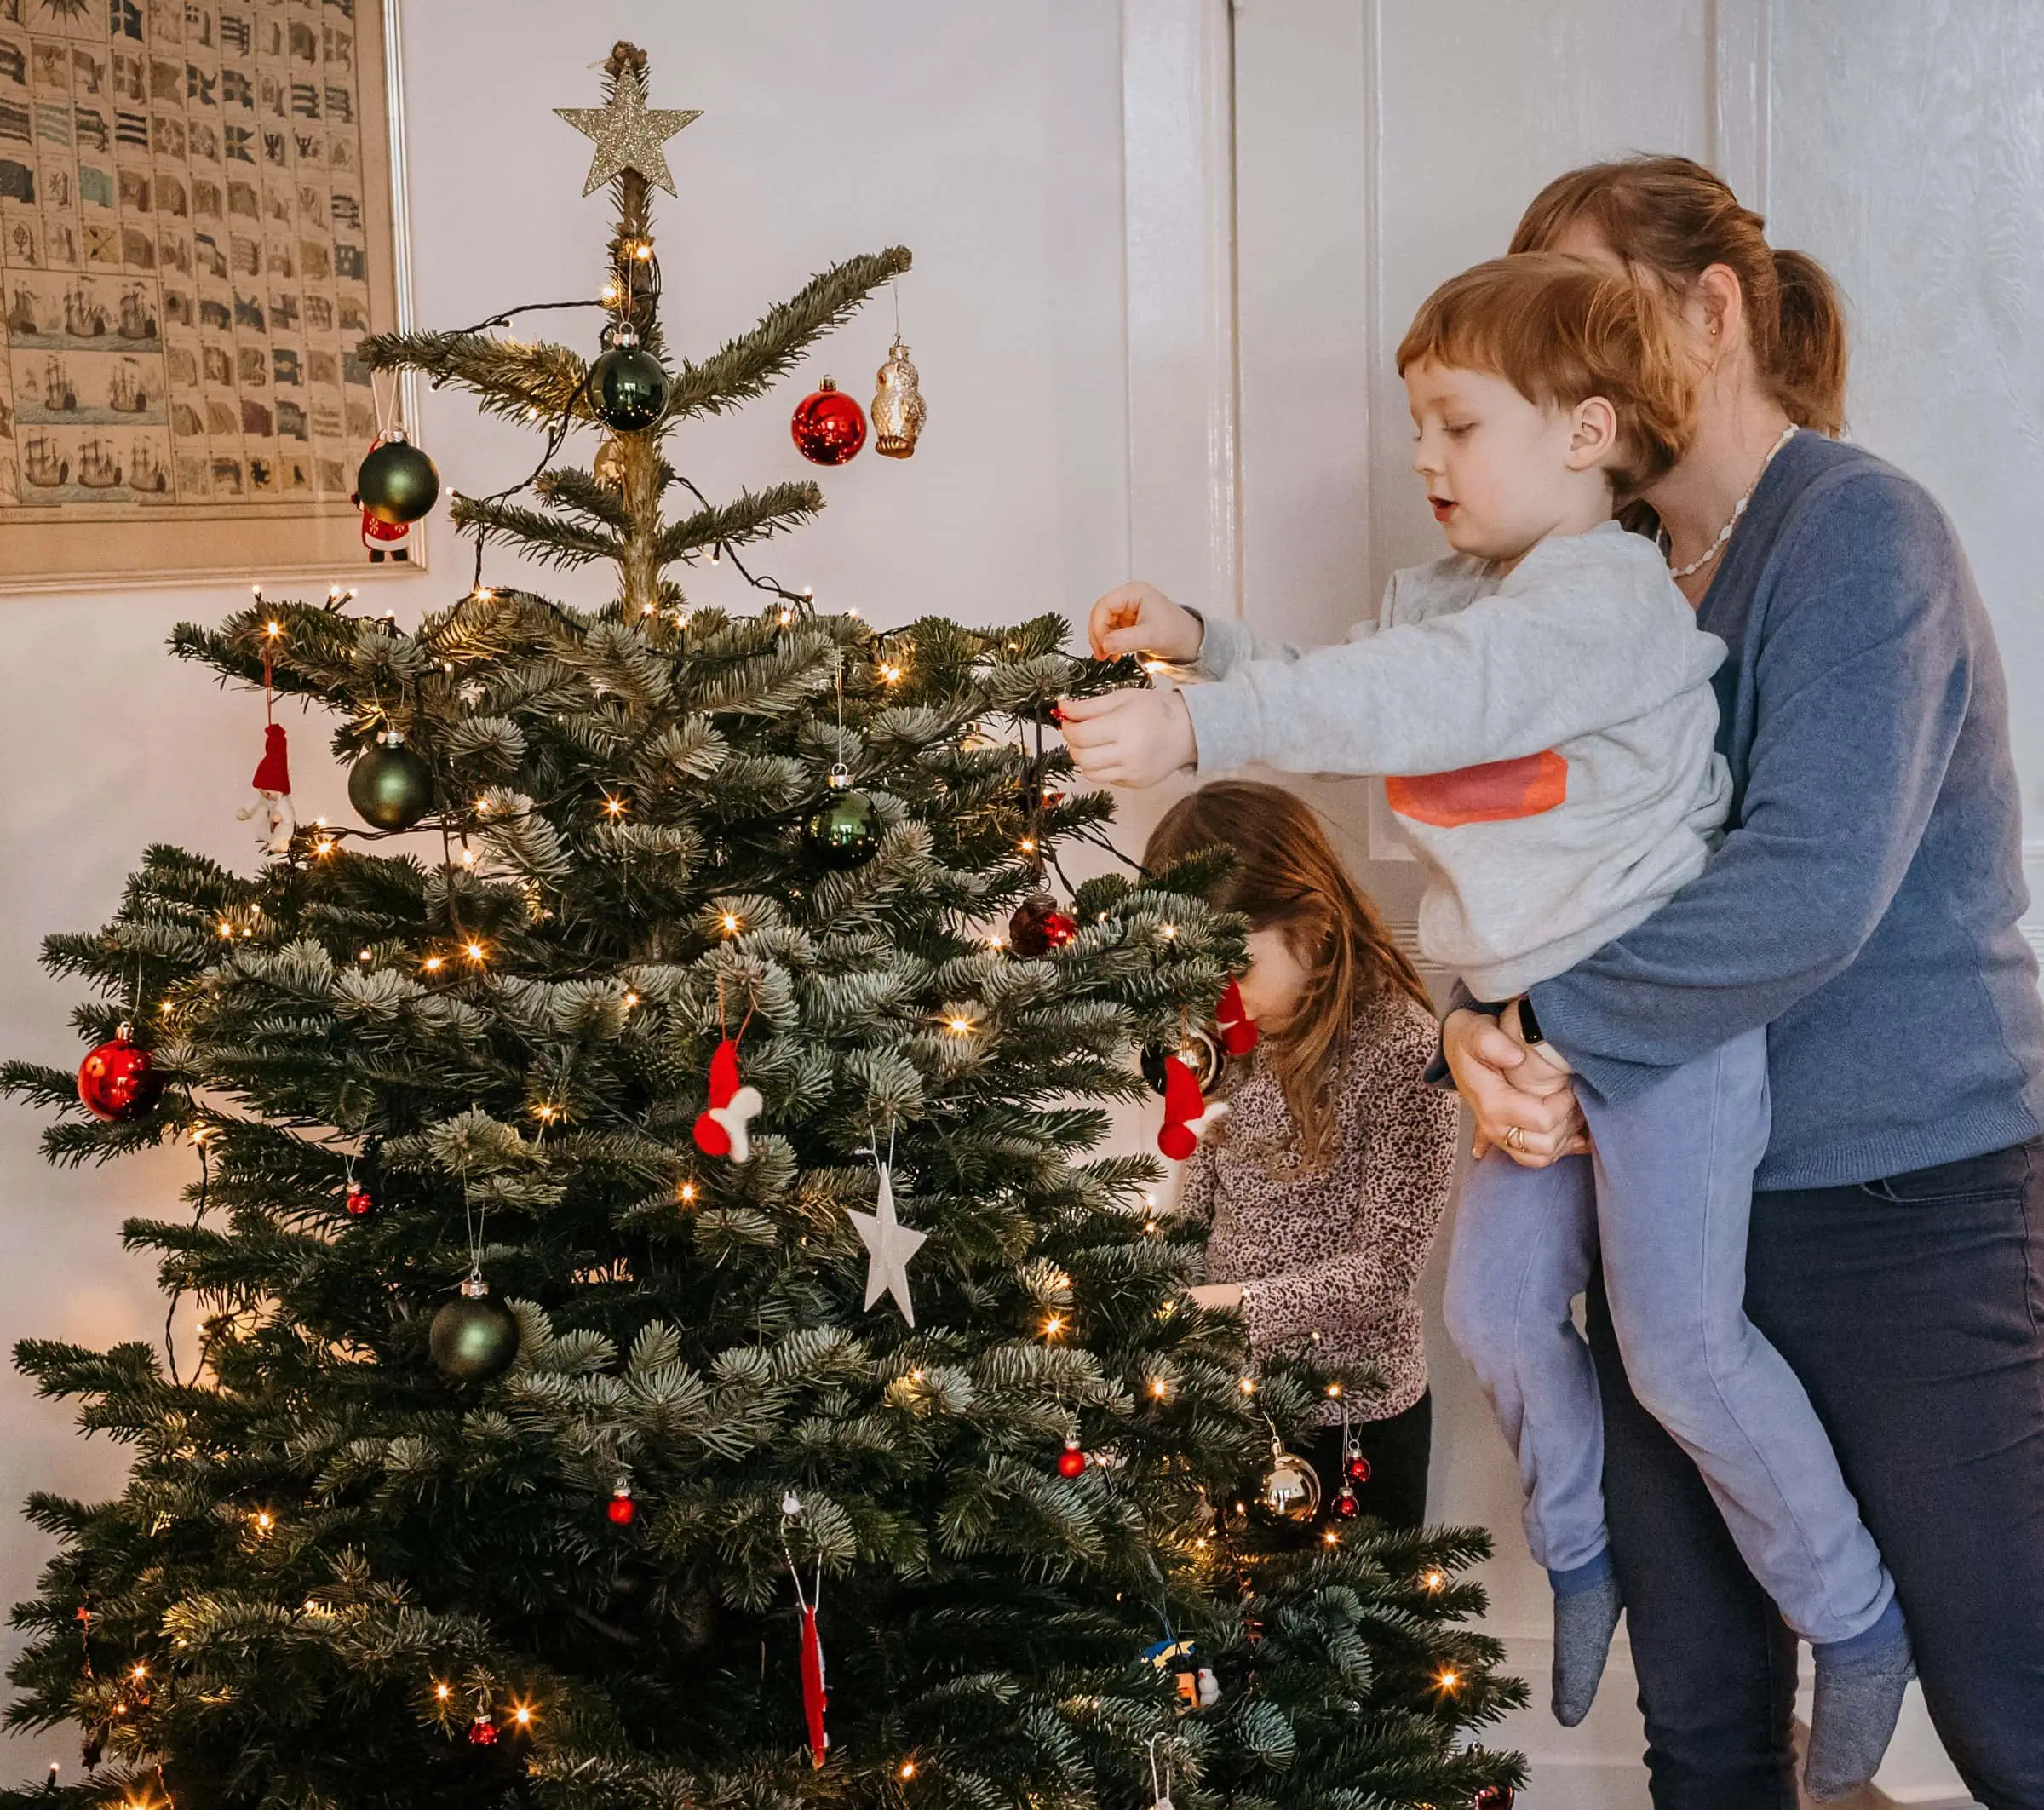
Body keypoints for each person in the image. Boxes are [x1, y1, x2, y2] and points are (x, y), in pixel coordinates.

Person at [1061, 250, 1910, 1801]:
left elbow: (1430, 702)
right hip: (1531, 1021)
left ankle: (1852, 1619)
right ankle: (1580, 1560)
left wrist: (1208, 722)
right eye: (1417, 431)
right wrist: (1213, 643)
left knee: (1684, 1348)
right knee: (1499, 1317)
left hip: (1665, 1015)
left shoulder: (1597, 600)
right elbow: (1385, 681)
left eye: (1459, 426)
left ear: (1588, 435)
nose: (1425, 461)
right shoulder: (1466, 599)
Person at [1147, 780, 1455, 1530]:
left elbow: (1385, 1270)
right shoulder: (1228, 1043)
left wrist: (1226, 1310)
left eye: (1236, 968)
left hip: (1355, 1424)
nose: (1218, 998)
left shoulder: (1406, 1050)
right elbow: (1199, 1207)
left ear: (1312, 923)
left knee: (1354, 1646)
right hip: (1232, 1406)